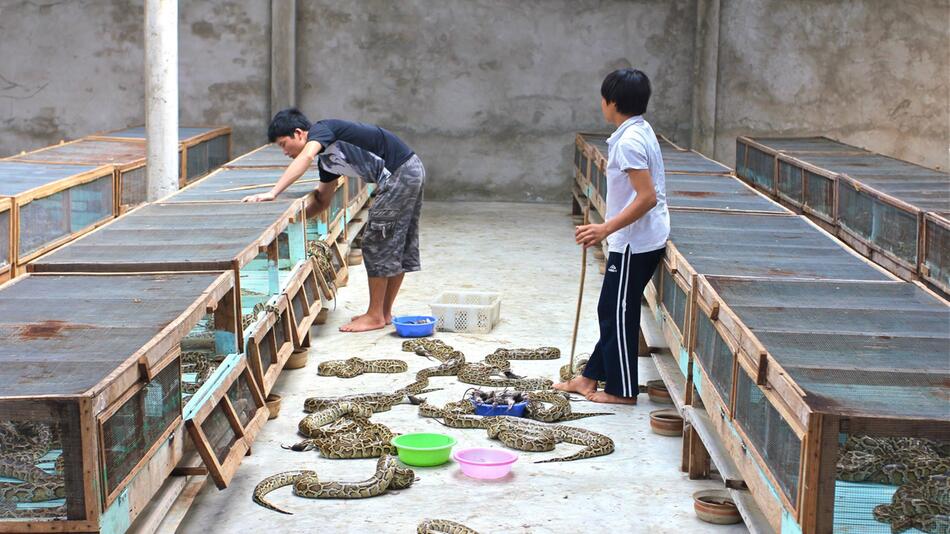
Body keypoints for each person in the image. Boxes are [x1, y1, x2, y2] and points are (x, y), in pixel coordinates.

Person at [243, 109, 425, 333]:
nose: (284, 152)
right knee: (394, 242)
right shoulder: (328, 163)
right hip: (408, 171)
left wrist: (273, 192)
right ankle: (384, 313)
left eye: (283, 144)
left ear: (299, 133)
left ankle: (375, 315)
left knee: (377, 243)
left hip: (400, 173)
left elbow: (306, 156)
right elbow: (321, 202)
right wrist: (290, 222)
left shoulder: (322, 129)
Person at [554, 69, 670, 404]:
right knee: (613, 308)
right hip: (636, 239)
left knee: (617, 310)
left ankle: (622, 391)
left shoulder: (630, 142)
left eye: (603, 98)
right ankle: (589, 378)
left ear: (612, 102)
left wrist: (605, 228)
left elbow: (647, 196)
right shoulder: (637, 131)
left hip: (635, 242)